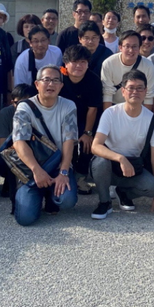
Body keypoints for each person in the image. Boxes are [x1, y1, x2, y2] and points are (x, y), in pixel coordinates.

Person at [90, 70, 154, 220]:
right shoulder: (110, 113)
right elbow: (95, 146)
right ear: (123, 91)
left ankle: (123, 193)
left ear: (145, 91)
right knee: (99, 163)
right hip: (109, 166)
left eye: (139, 88)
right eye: (131, 88)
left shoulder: (152, 120)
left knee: (153, 187)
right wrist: (120, 158)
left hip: (133, 168)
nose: (135, 92)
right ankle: (104, 202)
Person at [11, 65, 78, 226]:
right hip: (32, 166)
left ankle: (50, 193)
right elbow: (19, 142)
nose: (51, 84)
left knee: (67, 200)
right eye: (46, 80)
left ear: (61, 86)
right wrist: (37, 170)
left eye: (55, 80)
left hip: (57, 165)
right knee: (25, 219)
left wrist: (64, 172)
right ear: (37, 84)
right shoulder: (24, 107)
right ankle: (38, 192)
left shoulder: (68, 106)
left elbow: (69, 141)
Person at [59, 45, 102, 195]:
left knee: (87, 144)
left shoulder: (93, 80)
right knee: (65, 145)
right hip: (62, 120)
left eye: (83, 62)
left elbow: (93, 109)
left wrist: (87, 132)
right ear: (66, 63)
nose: (79, 66)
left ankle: (81, 177)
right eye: (75, 61)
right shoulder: (58, 78)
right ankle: (66, 171)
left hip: (86, 118)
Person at [100, 31, 154, 114]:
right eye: (127, 46)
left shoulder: (148, 65)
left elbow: (149, 95)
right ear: (120, 47)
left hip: (138, 106)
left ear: (139, 48)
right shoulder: (108, 63)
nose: (131, 50)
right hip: (115, 106)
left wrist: (144, 117)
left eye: (134, 46)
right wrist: (108, 116)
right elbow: (107, 94)